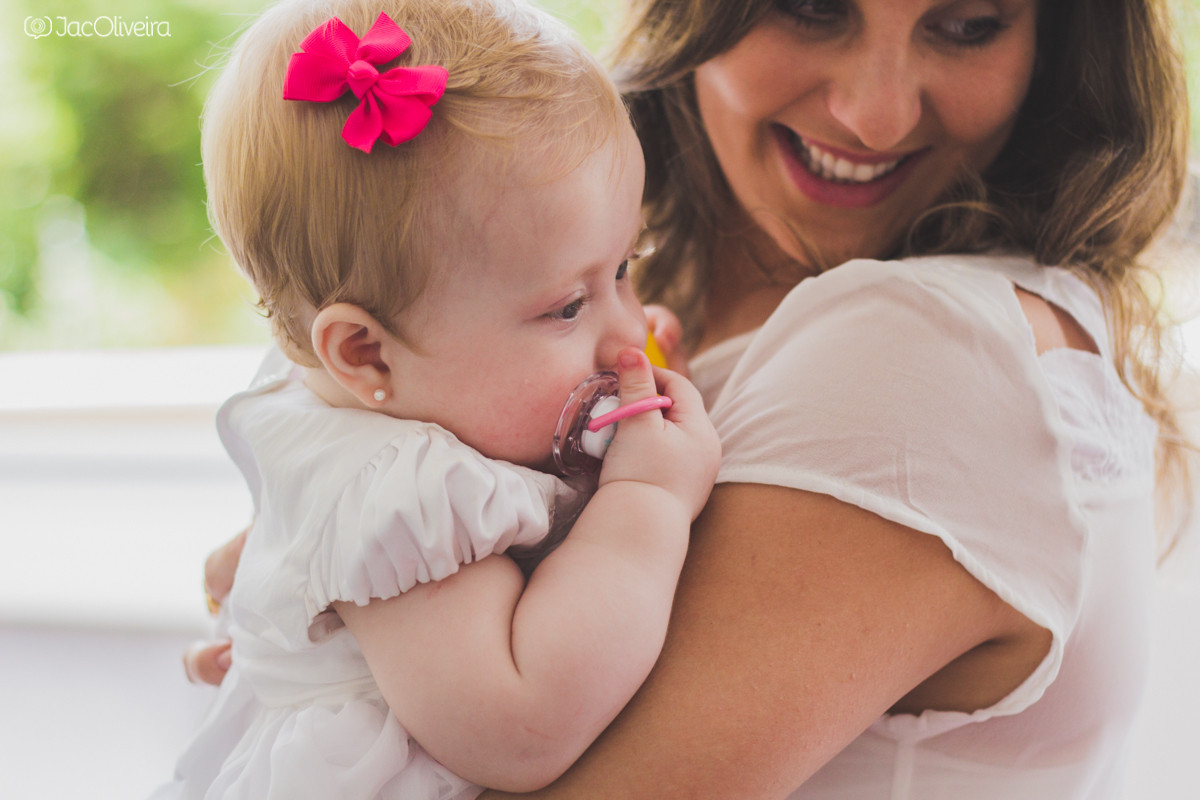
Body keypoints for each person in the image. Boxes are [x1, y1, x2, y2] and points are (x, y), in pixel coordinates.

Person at [193, 0, 1196, 796]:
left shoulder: (928, 349)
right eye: (812, 6)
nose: (877, 113)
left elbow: (525, 721)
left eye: (969, 23)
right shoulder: (557, 320)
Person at [157, 0, 720, 797]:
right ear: (365, 353)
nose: (628, 329)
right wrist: (647, 500)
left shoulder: (411, 395)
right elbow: (525, 726)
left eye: (625, 269)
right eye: (569, 305)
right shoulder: (401, 499)